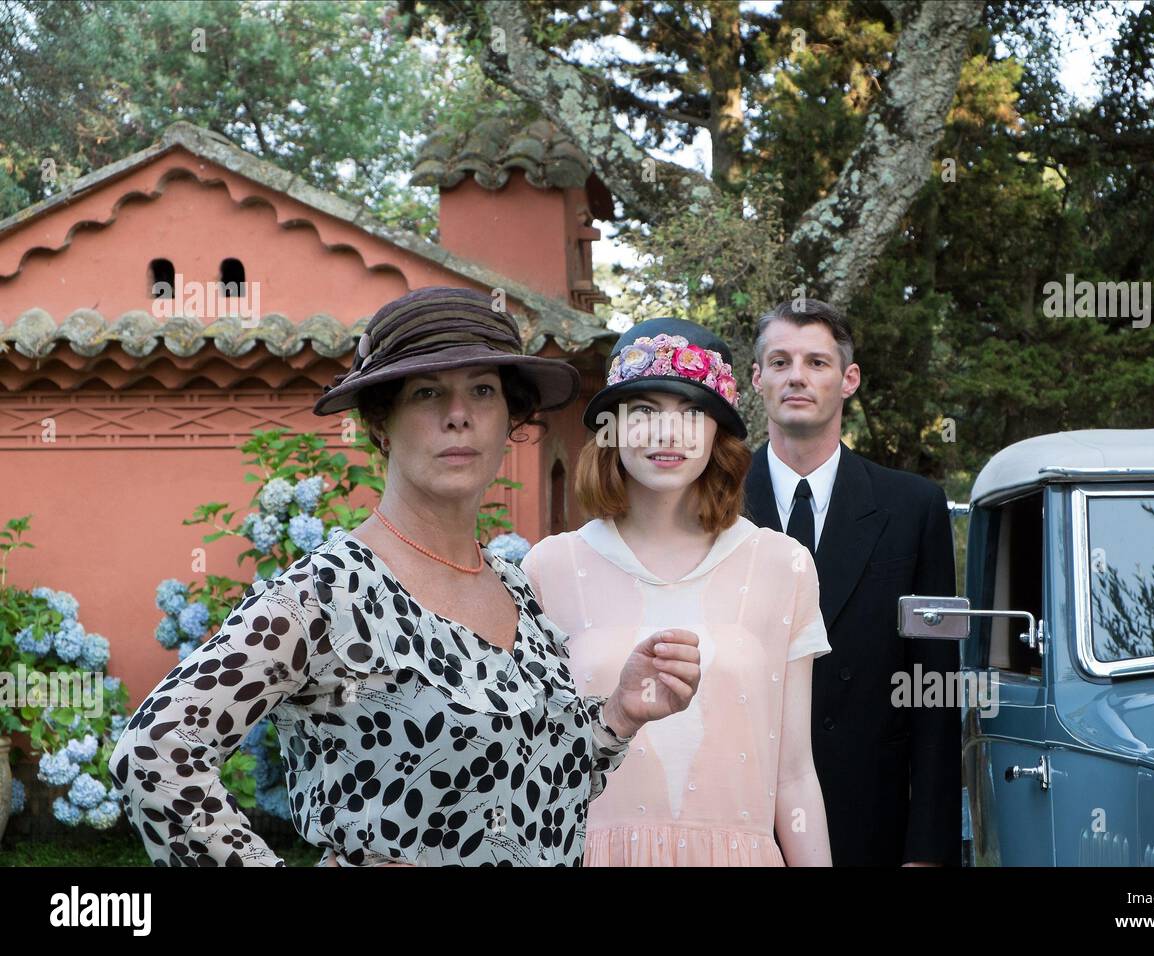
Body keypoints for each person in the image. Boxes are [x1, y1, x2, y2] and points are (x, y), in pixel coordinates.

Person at [109, 286, 700, 866]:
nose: (459, 416)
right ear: (382, 423)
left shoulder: (514, 587)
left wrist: (620, 714)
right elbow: (155, 753)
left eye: (483, 391)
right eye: (426, 393)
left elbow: (534, 796)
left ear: (509, 419)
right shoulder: (327, 594)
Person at [521, 317, 833, 866]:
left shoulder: (783, 565)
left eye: (692, 414)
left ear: (718, 433)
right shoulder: (550, 567)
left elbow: (794, 773)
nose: (668, 435)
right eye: (642, 412)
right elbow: (535, 765)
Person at [742, 297, 961, 867]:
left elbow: (936, 684)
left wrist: (929, 848)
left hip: (871, 819)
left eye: (817, 362)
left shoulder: (915, 507)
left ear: (848, 379)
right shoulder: (710, 503)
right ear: (757, 377)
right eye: (781, 360)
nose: (798, 376)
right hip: (735, 814)